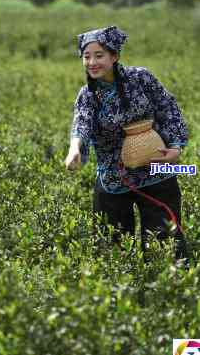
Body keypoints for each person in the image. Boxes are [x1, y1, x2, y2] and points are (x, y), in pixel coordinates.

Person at [64, 26, 188, 260]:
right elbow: (82, 122)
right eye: (86, 56)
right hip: (113, 176)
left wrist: (175, 149)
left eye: (99, 55)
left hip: (156, 168)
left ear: (115, 56)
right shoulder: (88, 94)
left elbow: (168, 109)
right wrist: (74, 149)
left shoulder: (141, 78)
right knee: (113, 248)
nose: (92, 62)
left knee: (165, 244)